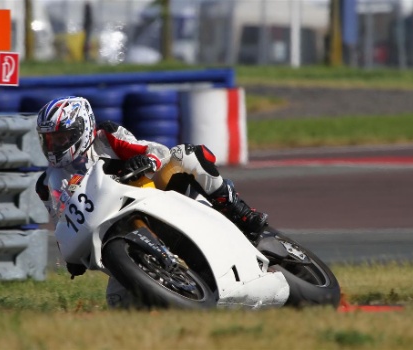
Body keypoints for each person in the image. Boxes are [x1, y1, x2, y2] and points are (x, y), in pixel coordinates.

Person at [35, 96, 268, 307]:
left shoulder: (106, 137)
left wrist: (145, 161)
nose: (54, 147)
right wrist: (72, 257)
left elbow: (156, 149)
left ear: (82, 130)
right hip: (109, 231)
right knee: (118, 303)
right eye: (49, 140)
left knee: (185, 156)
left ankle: (240, 213)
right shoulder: (47, 185)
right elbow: (61, 223)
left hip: (150, 193)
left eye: (61, 138)